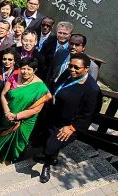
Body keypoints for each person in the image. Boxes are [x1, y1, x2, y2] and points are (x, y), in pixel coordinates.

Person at [35, 53, 102, 183]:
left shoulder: (92, 90)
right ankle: (51, 158)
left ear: (86, 69)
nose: (72, 69)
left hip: (68, 125)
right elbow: (57, 86)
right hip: (54, 116)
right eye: (70, 66)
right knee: (44, 139)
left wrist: (72, 127)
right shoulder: (68, 74)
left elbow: (89, 114)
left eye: (77, 68)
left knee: (52, 145)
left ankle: (47, 166)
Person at [0, 57, 51, 164]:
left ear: (34, 70)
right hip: (8, 114)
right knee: (4, 134)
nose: (25, 72)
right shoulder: (14, 77)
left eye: (29, 69)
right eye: (23, 69)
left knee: (18, 141)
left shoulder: (41, 87)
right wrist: (7, 112)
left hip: (25, 120)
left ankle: (12, 158)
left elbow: (36, 109)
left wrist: (16, 116)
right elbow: (3, 95)